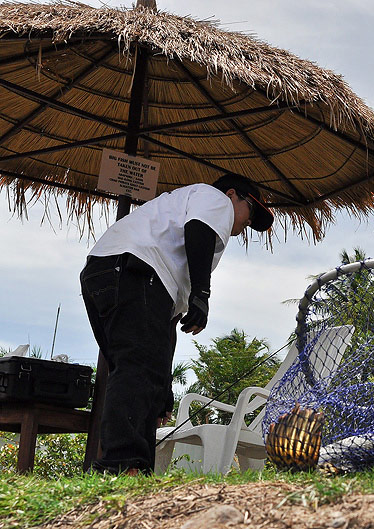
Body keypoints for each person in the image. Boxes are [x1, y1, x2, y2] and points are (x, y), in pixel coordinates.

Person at [80, 173, 274, 474]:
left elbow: (162, 330)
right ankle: (121, 463)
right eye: (251, 208)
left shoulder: (176, 216)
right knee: (136, 367)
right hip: (135, 269)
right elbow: (199, 228)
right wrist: (202, 294)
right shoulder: (216, 199)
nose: (249, 222)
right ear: (234, 194)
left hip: (110, 273)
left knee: (134, 367)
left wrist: (164, 387)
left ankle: (137, 467)